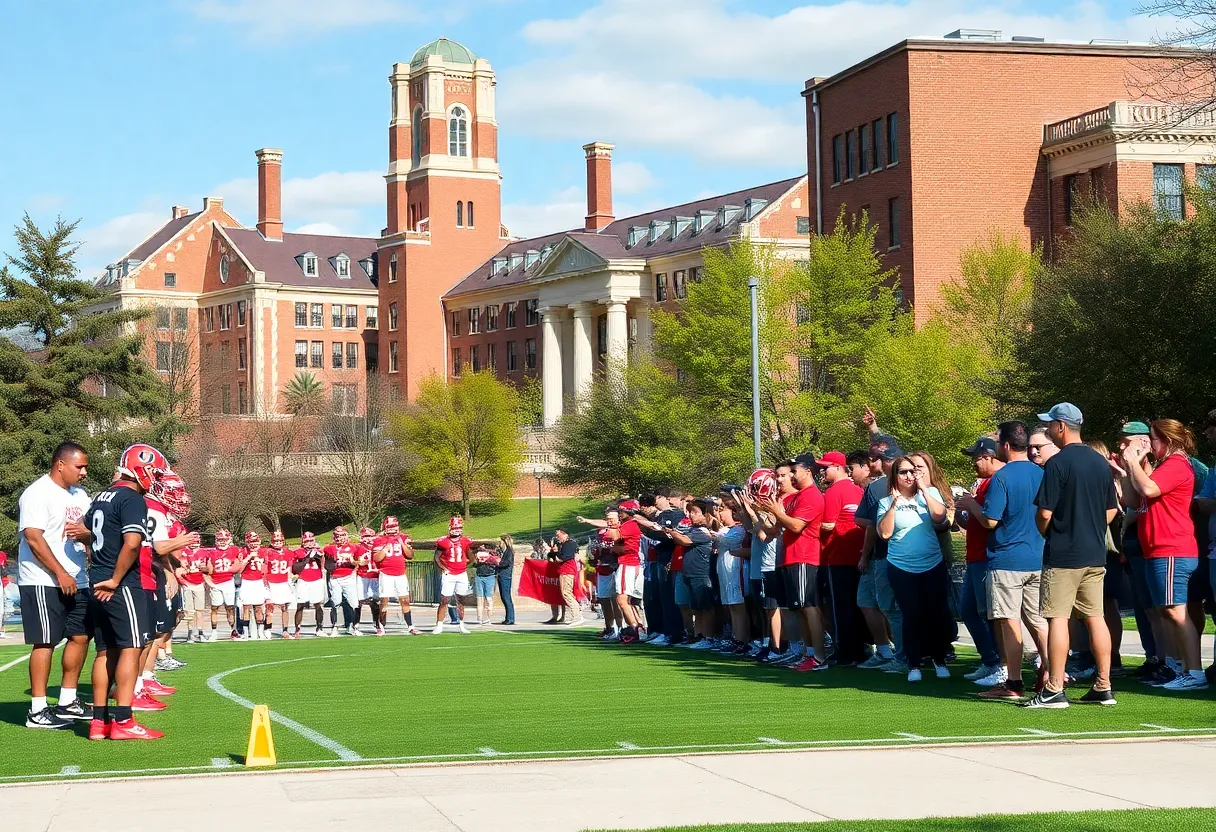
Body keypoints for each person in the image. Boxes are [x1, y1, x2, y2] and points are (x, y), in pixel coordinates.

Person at [1026, 403, 1118, 709]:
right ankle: (1103, 685)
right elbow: (1111, 509)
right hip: (1094, 553)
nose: (1049, 429)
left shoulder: (1058, 463)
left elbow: (1044, 513)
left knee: (1057, 620)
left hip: (1064, 555)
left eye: (1051, 425)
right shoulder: (1099, 461)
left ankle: (1054, 688)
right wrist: (1089, 528)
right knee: (1096, 617)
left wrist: (1048, 532)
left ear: (1062, 427)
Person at [85, 444, 166, 741]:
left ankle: (98, 723)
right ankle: (123, 721)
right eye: (153, 473)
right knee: (131, 648)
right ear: (139, 469)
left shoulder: (100, 496)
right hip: (120, 586)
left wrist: (99, 569)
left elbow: (87, 533)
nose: (155, 479)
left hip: (96, 580)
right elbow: (132, 543)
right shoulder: (132, 498)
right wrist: (116, 578)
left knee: (105, 651)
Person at [968, 423, 1050, 701]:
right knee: (1039, 621)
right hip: (1038, 556)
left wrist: (970, 505)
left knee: (1009, 621)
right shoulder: (1041, 473)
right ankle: (1052, 672)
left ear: (1004, 445)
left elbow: (990, 520)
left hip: (1006, 559)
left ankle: (1014, 683)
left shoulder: (1002, 477)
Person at [1123, 418, 1206, 691]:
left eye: (1153, 439)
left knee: (1175, 611)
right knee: (1165, 610)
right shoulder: (1162, 466)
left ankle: (1194, 672)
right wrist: (1126, 469)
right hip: (1157, 549)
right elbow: (1134, 501)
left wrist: (1135, 462)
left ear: (1167, 441)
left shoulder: (1177, 465)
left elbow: (1149, 489)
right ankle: (1178, 666)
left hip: (1172, 548)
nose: (1149, 444)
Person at [16, 441, 94, 729]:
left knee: (80, 637)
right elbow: (34, 538)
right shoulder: (37, 493)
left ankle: (67, 701)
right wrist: (60, 573)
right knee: (45, 641)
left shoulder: (80, 495)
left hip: (78, 579)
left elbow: (90, 533)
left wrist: (86, 536)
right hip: (42, 580)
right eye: (79, 466)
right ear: (60, 464)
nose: (84, 472)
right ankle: (37, 710)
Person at [877, 455, 954, 682]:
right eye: (903, 472)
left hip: (932, 564)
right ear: (895, 477)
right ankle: (913, 664)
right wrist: (893, 504)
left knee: (936, 613)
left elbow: (939, 517)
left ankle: (938, 659)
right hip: (901, 567)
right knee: (912, 615)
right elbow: (885, 533)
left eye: (912, 471)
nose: (909, 476)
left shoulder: (930, 495)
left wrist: (924, 490)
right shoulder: (885, 502)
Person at [758, 453, 828, 671]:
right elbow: (775, 530)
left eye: (794, 471)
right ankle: (809, 654)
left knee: (809, 607)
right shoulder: (797, 496)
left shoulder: (812, 496)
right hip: (790, 557)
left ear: (807, 471)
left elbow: (796, 526)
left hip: (804, 556)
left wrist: (777, 511)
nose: (792, 476)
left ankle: (819, 657)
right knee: (799, 608)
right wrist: (757, 510)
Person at [953, 437, 1006, 687]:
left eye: (977, 457)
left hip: (987, 557)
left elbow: (991, 520)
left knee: (990, 614)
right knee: (970, 611)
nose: (974, 462)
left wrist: (971, 504)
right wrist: (962, 508)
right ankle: (991, 660)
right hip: (975, 556)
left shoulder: (998, 481)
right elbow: (970, 521)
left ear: (989, 456)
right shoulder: (985, 483)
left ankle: (1001, 664)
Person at [855, 440, 906, 673]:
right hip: (879, 554)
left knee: (893, 608)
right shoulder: (876, 487)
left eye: (875, 458)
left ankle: (905, 656)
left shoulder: (886, 488)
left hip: (891, 555)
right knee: (871, 602)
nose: (871, 462)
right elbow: (867, 524)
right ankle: (890, 651)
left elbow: (870, 525)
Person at [818, 451, 867, 666]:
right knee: (856, 605)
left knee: (840, 607)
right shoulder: (857, 490)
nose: (822, 471)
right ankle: (859, 649)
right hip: (857, 554)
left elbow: (827, 524)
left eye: (826, 467)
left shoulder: (833, 491)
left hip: (837, 554)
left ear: (838, 467)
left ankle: (846, 652)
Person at [664, 503, 716, 648]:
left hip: (701, 573)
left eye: (694, 512)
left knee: (705, 607)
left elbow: (685, 540)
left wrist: (672, 532)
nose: (690, 515)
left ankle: (708, 637)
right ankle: (699, 635)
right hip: (691, 574)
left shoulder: (702, 531)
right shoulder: (694, 530)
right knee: (697, 608)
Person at [713, 496, 751, 654]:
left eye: (723, 509)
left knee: (738, 606)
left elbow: (726, 542)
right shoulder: (724, 530)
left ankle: (743, 640)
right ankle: (736, 638)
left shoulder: (739, 529)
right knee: (731, 606)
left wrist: (713, 533)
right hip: (724, 572)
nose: (720, 513)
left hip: (736, 571)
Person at [374, 516, 421, 635]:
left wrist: (403, 544)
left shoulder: (404, 538)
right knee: (384, 600)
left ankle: (410, 626)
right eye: (389, 527)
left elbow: (410, 555)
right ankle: (381, 626)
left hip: (400, 573)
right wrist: (385, 549)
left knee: (405, 600)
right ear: (385, 527)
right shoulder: (379, 539)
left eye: (394, 526)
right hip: (386, 573)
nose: (392, 529)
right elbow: (376, 558)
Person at [608, 499, 646, 643]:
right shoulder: (631, 524)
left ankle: (634, 628)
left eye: (622, 511)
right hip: (631, 563)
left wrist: (611, 528)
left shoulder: (629, 525)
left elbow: (616, 537)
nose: (620, 514)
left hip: (628, 564)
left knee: (622, 600)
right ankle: (638, 627)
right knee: (629, 600)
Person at [433, 516, 472, 634]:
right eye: (455, 527)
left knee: (461, 600)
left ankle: (461, 624)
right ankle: (439, 625)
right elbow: (436, 558)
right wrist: (444, 569)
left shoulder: (465, 541)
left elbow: (471, 557)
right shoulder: (443, 542)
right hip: (449, 574)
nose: (457, 530)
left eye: (459, 527)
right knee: (445, 599)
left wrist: (466, 565)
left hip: (461, 573)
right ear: (450, 528)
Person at [204, 528, 240, 642]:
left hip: (228, 581)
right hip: (216, 582)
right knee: (214, 608)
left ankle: (233, 630)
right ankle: (214, 632)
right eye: (220, 540)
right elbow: (207, 569)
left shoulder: (234, 550)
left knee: (230, 608)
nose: (222, 542)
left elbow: (239, 563)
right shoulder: (211, 552)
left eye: (224, 539)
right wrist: (208, 580)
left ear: (229, 540)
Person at [323, 527, 360, 635]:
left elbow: (359, 561)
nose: (339, 538)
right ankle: (334, 627)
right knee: (335, 602)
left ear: (346, 536)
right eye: (337, 536)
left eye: (341, 535)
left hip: (349, 576)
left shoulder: (354, 547)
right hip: (335, 577)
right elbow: (325, 563)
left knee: (354, 603)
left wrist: (355, 567)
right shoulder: (329, 548)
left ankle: (353, 627)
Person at [292, 532, 327, 637]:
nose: (309, 543)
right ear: (303, 542)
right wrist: (306, 558)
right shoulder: (298, 552)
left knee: (318, 604)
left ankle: (319, 628)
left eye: (311, 540)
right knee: (300, 604)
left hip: (317, 579)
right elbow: (295, 568)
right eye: (307, 541)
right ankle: (297, 629)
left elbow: (325, 564)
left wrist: (319, 556)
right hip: (303, 579)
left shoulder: (319, 551)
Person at [236, 531, 269, 641]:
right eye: (251, 542)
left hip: (258, 581)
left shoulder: (263, 552)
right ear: (247, 542)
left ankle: (261, 631)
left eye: (255, 541)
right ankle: (245, 632)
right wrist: (249, 557)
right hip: (246, 581)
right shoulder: (243, 551)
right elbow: (239, 569)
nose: (253, 544)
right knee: (246, 607)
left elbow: (265, 569)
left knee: (259, 607)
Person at [264, 530, 295, 639]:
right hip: (271, 582)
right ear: (272, 542)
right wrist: (265, 582)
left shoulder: (288, 552)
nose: (278, 542)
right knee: (270, 607)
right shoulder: (268, 552)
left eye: (280, 540)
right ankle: (267, 628)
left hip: (283, 582)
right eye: (276, 541)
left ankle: (285, 630)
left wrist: (290, 578)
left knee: (285, 607)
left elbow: (290, 568)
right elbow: (264, 569)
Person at [353, 526, 381, 635]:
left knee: (374, 601)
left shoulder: (378, 546)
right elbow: (353, 561)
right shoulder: (357, 548)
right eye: (365, 536)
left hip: (375, 576)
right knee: (359, 601)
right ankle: (356, 625)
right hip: (362, 576)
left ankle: (378, 624)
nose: (368, 539)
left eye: (370, 536)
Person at [551, 529, 582, 626]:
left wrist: (556, 552)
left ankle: (577, 616)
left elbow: (560, 559)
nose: (557, 537)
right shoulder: (566, 545)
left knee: (566, 593)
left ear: (565, 535)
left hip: (567, 571)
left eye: (558, 535)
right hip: (566, 571)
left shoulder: (568, 545)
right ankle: (575, 615)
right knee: (567, 593)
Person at [472, 539, 500, 625]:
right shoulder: (477, 554)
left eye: (483, 546)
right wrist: (478, 560)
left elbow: (497, 563)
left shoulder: (493, 555)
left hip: (490, 576)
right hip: (479, 576)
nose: (481, 547)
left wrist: (489, 560)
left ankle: (488, 618)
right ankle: (479, 618)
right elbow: (473, 564)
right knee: (480, 598)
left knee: (488, 599)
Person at [495, 534, 516, 625]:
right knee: (504, 597)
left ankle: (510, 618)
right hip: (502, 575)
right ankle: (508, 618)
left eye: (501, 542)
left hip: (505, 576)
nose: (500, 544)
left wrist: (498, 564)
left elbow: (507, 563)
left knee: (506, 597)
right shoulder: (505, 551)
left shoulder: (509, 551)